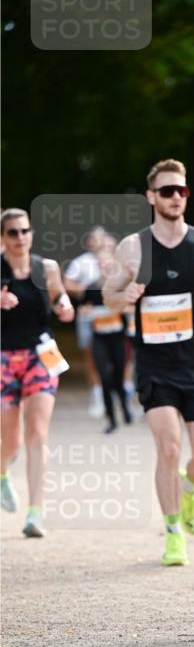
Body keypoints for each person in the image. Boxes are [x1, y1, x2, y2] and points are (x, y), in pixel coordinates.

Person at [103, 159, 194, 566]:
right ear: (151, 197)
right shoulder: (133, 247)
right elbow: (108, 294)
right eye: (167, 191)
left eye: (181, 190)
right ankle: (173, 532)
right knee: (168, 446)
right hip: (154, 361)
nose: (176, 197)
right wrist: (122, 298)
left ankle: (189, 487)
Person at [0, 208, 75, 536]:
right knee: (11, 438)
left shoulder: (47, 268)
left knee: (38, 433)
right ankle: (2, 473)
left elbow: (62, 303)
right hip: (3, 356)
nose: (20, 238)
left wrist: (65, 307)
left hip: (41, 354)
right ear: (3, 238)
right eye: (13, 232)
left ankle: (35, 513)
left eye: (24, 231)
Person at [81, 236, 134, 434]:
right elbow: (84, 310)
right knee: (104, 377)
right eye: (101, 264)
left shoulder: (121, 286)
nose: (105, 267)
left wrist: (120, 310)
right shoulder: (92, 287)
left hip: (118, 337)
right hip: (99, 338)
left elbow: (131, 308)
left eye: (108, 263)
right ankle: (111, 419)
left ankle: (126, 408)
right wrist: (86, 312)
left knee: (119, 377)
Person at [64, 226, 108, 418]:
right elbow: (67, 283)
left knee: (119, 358)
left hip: (113, 314)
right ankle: (97, 397)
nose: (98, 241)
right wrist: (84, 290)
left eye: (102, 237)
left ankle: (116, 395)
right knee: (91, 357)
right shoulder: (81, 263)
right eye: (95, 238)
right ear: (89, 242)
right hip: (89, 314)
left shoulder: (116, 262)